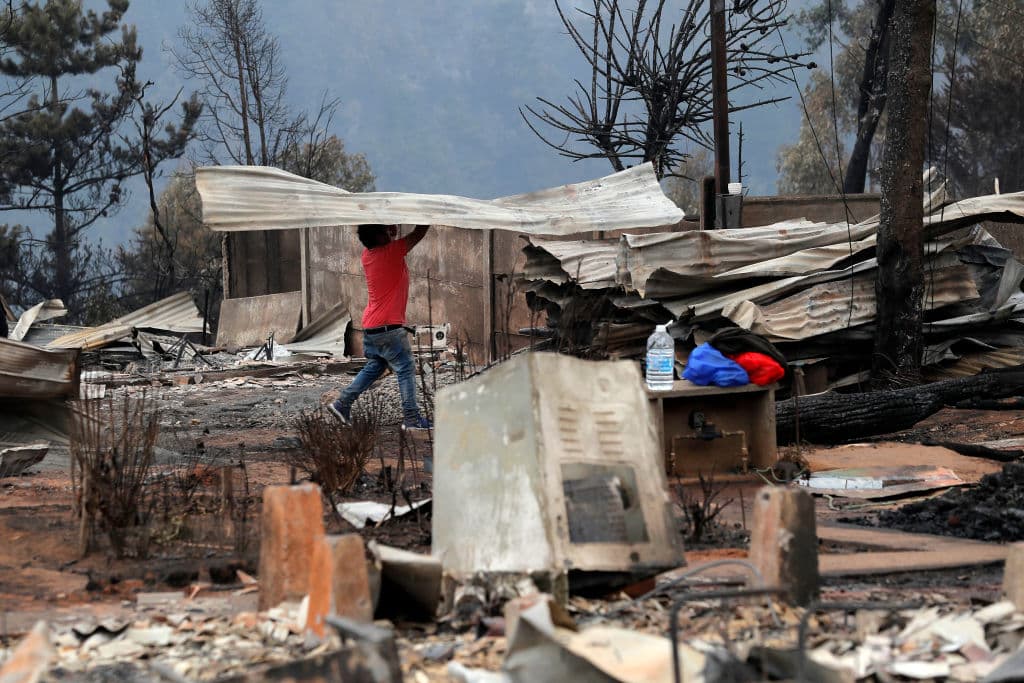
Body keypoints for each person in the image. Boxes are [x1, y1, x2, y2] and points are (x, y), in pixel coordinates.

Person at [329, 223, 431, 430]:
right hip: (388, 327)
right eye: (384, 230)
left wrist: (387, 233)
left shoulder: (368, 255)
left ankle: (342, 403)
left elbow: (387, 242)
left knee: (376, 366)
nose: (389, 232)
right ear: (380, 236)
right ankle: (411, 418)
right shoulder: (391, 253)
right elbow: (419, 232)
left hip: (372, 326)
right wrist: (428, 215)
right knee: (405, 369)